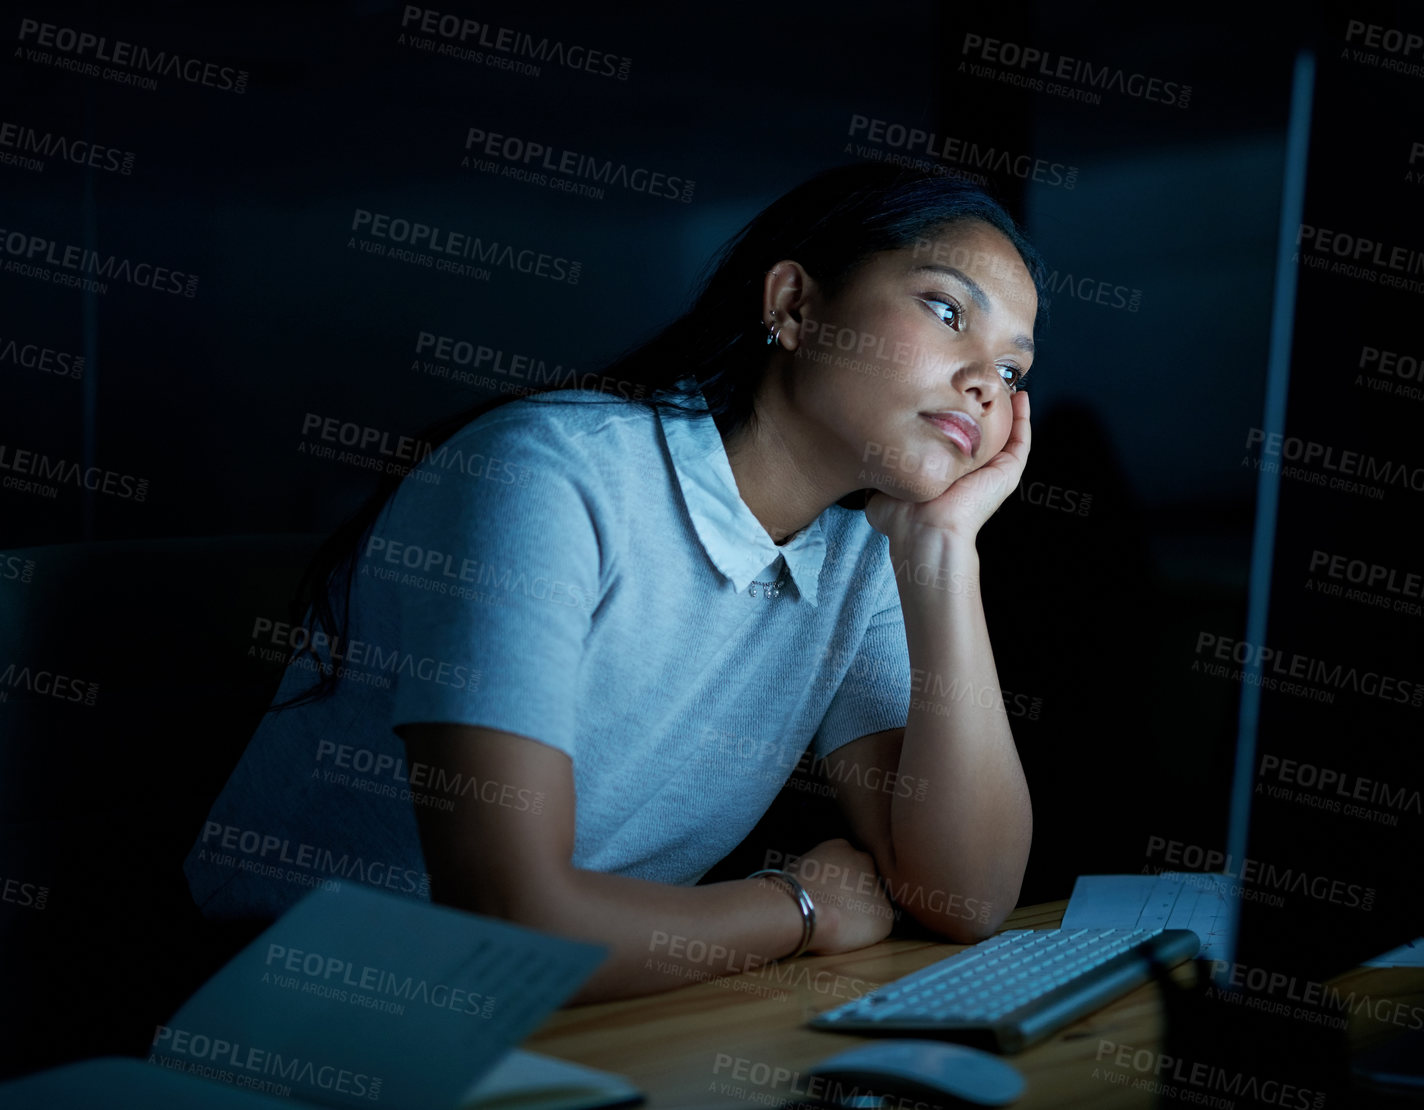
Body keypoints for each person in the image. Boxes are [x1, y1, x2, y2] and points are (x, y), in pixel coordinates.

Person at [184, 163, 1045, 1002]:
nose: (984, 383)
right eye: (945, 310)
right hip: (280, 1018)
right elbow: (505, 926)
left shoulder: (861, 550)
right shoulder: (549, 474)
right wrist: (800, 907)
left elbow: (964, 896)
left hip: (568, 1024)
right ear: (794, 305)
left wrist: (943, 556)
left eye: (1012, 371)